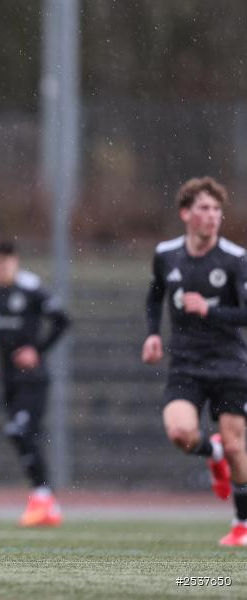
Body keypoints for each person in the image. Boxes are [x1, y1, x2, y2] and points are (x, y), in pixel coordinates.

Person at [142, 176, 247, 547]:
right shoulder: (167, 253)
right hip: (185, 364)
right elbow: (155, 296)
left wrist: (208, 311)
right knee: (181, 434)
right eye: (204, 208)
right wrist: (153, 333)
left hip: (230, 363)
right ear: (186, 213)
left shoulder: (234, 259)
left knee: (238, 447)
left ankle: (241, 525)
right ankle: (212, 451)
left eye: (217, 209)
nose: (213, 216)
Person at [0, 241, 70, 526]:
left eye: (4, 262)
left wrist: (36, 350)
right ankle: (46, 502)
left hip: (34, 379)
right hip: (8, 378)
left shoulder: (31, 288)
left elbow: (62, 321)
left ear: (15, 261)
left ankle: (43, 497)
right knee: (22, 435)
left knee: (20, 431)